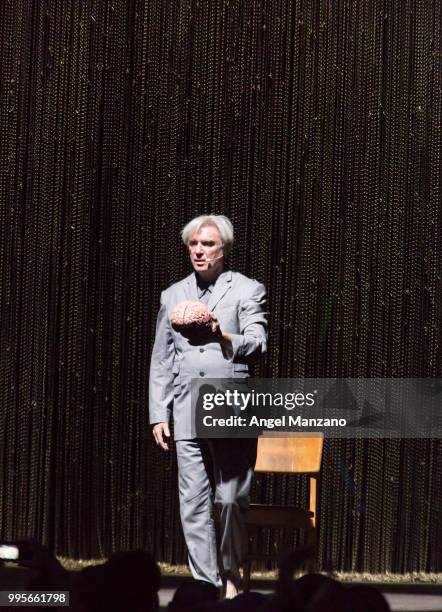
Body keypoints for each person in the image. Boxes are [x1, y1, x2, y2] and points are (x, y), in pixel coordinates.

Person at [149, 214, 268, 598]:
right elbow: (162, 359)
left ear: (224, 249)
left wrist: (221, 333)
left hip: (229, 404)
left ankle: (232, 575)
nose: (199, 251)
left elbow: (258, 342)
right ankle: (206, 583)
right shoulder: (173, 295)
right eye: (193, 245)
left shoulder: (247, 290)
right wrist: (158, 413)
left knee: (231, 498)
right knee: (194, 501)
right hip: (185, 408)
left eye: (208, 244)